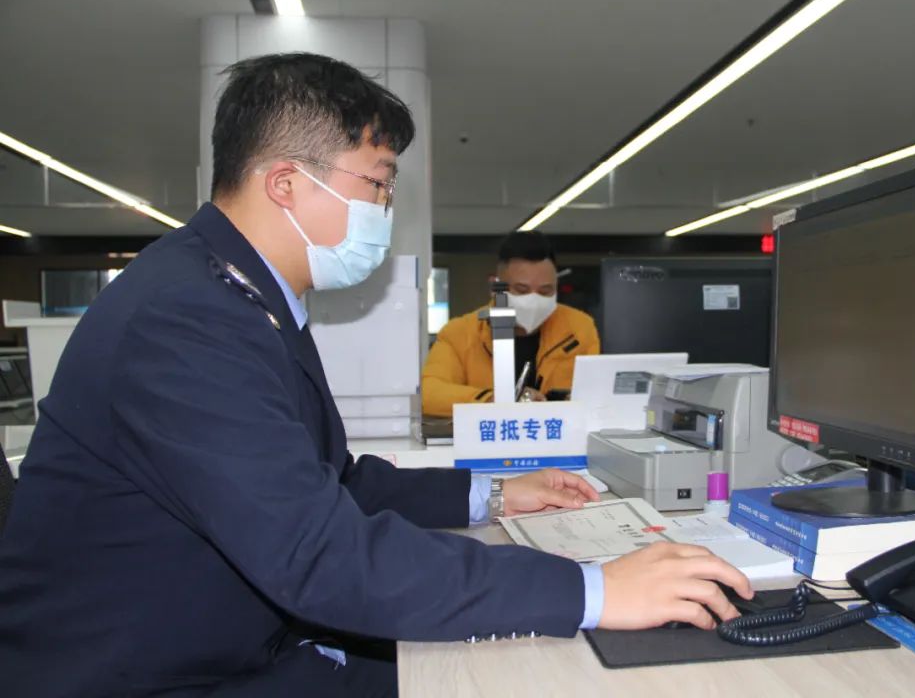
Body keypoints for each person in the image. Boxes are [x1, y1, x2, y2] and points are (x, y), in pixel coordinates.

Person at [0, 53, 751, 698]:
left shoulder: (236, 295)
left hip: (225, 639)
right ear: (286, 183)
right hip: (152, 676)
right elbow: (319, 554)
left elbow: (330, 483)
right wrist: (594, 588)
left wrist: (491, 494)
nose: (386, 209)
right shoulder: (185, 320)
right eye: (379, 184)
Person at [422, 231, 599, 417]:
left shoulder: (579, 329)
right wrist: (491, 400)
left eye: (545, 291)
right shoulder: (460, 333)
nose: (533, 300)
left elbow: (597, 392)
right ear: (495, 287)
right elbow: (429, 393)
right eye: (522, 290)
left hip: (558, 431)